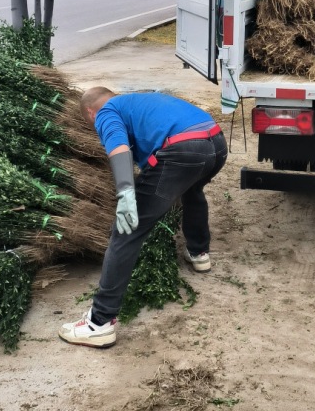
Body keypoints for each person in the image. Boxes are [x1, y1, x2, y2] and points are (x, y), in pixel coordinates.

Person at [58, 86, 227, 348]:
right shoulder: (139, 101)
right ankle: (199, 253)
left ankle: (99, 323)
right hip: (215, 143)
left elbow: (117, 145)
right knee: (192, 190)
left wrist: (126, 192)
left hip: (184, 149)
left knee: (126, 230)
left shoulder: (106, 111)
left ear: (90, 113)